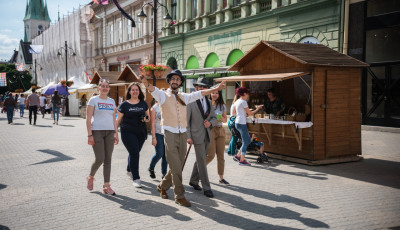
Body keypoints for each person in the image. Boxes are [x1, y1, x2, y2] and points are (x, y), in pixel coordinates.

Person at [138, 69, 226, 207]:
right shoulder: (162, 95)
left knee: (176, 165)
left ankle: (162, 186)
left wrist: (217, 88)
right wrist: (145, 82)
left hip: (183, 133)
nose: (175, 81)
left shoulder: (184, 96)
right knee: (176, 166)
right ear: (169, 81)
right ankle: (179, 195)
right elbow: (152, 89)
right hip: (169, 133)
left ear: (180, 83)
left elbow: (201, 93)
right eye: (173, 79)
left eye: (178, 80)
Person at [86, 79, 119, 195]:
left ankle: (107, 186)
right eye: (102, 86)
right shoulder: (93, 100)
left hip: (110, 132)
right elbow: (88, 119)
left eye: (107, 86)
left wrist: (116, 133)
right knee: (100, 158)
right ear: (98, 88)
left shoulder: (112, 101)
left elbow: (114, 118)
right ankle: (90, 177)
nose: (105, 88)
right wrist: (90, 135)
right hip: (97, 132)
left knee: (108, 159)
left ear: (109, 88)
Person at [187, 77, 217, 198]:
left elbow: (214, 117)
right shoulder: (190, 101)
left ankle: (193, 181)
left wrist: (210, 123)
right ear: (196, 87)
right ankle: (206, 187)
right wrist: (188, 136)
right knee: (202, 161)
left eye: (205, 87)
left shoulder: (209, 102)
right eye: (201, 86)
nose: (203, 88)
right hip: (195, 135)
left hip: (207, 134)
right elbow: (186, 121)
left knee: (201, 159)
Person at [116, 82, 150, 188]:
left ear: (139, 92)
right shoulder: (124, 105)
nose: (135, 91)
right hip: (127, 132)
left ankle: (129, 169)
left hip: (141, 132)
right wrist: (114, 133)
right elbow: (118, 120)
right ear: (129, 92)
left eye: (137, 90)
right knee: (135, 153)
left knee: (134, 152)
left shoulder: (143, 103)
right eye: (133, 90)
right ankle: (136, 178)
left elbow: (148, 117)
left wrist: (145, 119)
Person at [232, 87, 263, 166]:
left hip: (237, 122)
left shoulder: (237, 101)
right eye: (247, 93)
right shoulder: (244, 102)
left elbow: (234, 112)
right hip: (242, 123)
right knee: (246, 142)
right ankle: (242, 160)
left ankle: (238, 156)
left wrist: (243, 114)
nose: (248, 95)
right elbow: (250, 114)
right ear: (245, 94)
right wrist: (258, 109)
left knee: (247, 140)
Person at [206, 90, 230, 186]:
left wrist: (218, 119)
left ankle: (221, 178)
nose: (214, 95)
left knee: (221, 156)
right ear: (210, 94)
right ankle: (199, 170)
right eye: (213, 93)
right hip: (211, 130)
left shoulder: (222, 105)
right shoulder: (207, 105)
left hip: (220, 130)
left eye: (216, 93)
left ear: (219, 95)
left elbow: (225, 119)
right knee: (210, 155)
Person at [148, 99, 168, 179]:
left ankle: (164, 174)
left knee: (166, 155)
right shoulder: (155, 108)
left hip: (167, 133)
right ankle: (151, 168)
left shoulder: (168, 106)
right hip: (158, 133)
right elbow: (152, 123)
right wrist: (153, 137)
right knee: (159, 153)